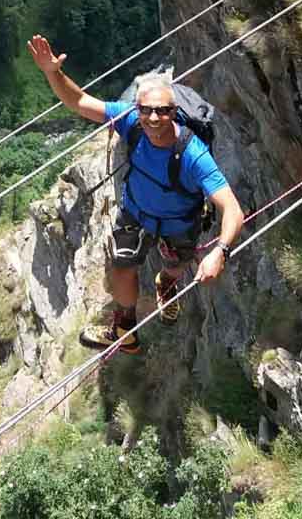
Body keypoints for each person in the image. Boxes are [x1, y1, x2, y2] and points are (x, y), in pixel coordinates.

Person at [27, 33, 244, 355]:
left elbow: (232, 208)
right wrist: (51, 72)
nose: (154, 118)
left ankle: (166, 284)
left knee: (177, 264)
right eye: (147, 110)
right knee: (122, 267)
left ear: (173, 112)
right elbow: (79, 102)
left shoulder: (193, 154)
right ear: (137, 108)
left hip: (179, 223)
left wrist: (220, 252)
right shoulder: (131, 120)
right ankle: (124, 327)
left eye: (162, 111)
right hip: (136, 214)